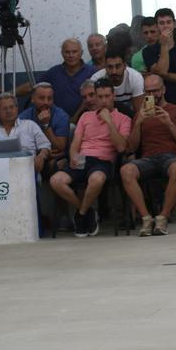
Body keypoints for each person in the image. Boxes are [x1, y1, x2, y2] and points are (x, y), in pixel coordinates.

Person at [49, 78, 130, 237]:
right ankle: (87, 212)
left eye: (107, 96)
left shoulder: (124, 119)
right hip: (82, 158)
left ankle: (81, 215)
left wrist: (109, 122)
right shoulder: (86, 117)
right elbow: (76, 142)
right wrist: (72, 155)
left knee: (96, 180)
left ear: (113, 96)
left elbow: (121, 147)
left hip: (103, 161)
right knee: (55, 181)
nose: (103, 101)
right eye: (100, 97)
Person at [120, 74, 176, 236]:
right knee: (126, 171)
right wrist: (138, 123)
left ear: (163, 90)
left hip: (172, 156)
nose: (152, 95)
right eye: (148, 92)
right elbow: (131, 147)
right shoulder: (140, 114)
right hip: (148, 158)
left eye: (155, 91)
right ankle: (146, 217)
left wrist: (169, 123)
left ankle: (163, 217)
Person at [0, 93, 51, 173]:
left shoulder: (30, 125)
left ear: (17, 109)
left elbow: (46, 145)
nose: (9, 111)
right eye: (4, 108)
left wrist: (41, 156)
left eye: (11, 107)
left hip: (27, 170)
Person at [142, 8, 176, 107]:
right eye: (161, 23)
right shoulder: (148, 51)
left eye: (169, 22)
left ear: (174, 24)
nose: (166, 26)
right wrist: (164, 45)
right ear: (157, 26)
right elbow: (162, 70)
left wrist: (163, 75)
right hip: (156, 102)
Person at [35, 39, 97, 117]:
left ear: (81, 53)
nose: (71, 55)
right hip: (58, 120)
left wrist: (74, 119)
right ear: (62, 53)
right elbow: (33, 84)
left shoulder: (92, 72)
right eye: (67, 52)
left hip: (86, 120)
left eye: (74, 52)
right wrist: (15, 91)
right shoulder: (54, 72)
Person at [19, 82, 70, 163]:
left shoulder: (61, 116)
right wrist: (42, 153)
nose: (46, 102)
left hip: (54, 159)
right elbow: (23, 145)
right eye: (42, 98)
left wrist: (46, 125)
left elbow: (60, 148)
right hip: (32, 157)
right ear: (33, 99)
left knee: (58, 163)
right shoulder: (24, 117)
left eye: (49, 99)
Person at [91, 48, 144, 115]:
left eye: (118, 66)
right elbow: (94, 111)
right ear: (105, 66)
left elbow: (138, 111)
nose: (114, 71)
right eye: (110, 67)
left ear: (125, 66)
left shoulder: (135, 78)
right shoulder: (96, 79)